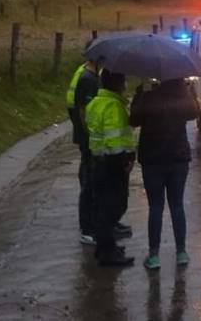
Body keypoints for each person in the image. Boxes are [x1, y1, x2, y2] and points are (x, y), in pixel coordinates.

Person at [130, 78, 198, 270]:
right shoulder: (181, 97)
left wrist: (138, 95)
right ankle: (181, 252)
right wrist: (188, 92)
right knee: (177, 205)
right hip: (178, 159)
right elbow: (194, 113)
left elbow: (133, 120)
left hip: (152, 160)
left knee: (156, 207)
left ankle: (154, 255)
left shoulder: (148, 98)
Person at [86, 70, 136, 267]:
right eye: (123, 79)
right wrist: (124, 162)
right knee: (114, 207)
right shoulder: (113, 106)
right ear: (116, 83)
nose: (125, 83)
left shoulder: (96, 103)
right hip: (112, 165)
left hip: (97, 161)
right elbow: (114, 140)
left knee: (103, 207)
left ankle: (105, 247)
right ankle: (108, 252)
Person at [67, 48, 101, 245]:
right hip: (88, 139)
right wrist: (91, 135)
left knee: (91, 181)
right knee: (88, 183)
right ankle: (87, 228)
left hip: (87, 137)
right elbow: (83, 111)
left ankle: (93, 223)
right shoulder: (88, 79)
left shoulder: (88, 74)